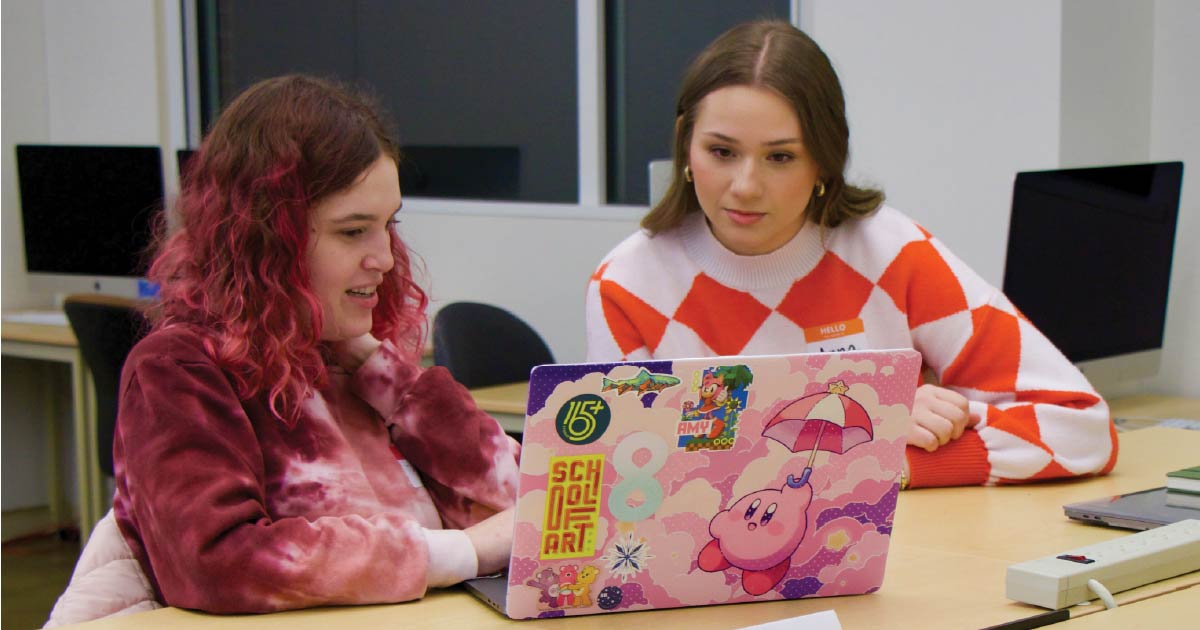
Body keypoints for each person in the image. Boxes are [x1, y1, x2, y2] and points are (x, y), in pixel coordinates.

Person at [47, 75, 518, 626]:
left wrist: (389, 374)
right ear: (266, 239)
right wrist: (462, 552)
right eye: (352, 232)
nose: (386, 258)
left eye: (388, 226)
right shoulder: (179, 368)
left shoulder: (348, 359)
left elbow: (517, 500)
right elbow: (218, 562)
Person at [585, 20, 1117, 489]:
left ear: (825, 160)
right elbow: (641, 478)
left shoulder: (893, 253)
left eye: (781, 157)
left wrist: (908, 462)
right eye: (721, 152)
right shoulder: (627, 286)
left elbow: (1082, 428)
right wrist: (872, 429)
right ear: (685, 144)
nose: (745, 186)